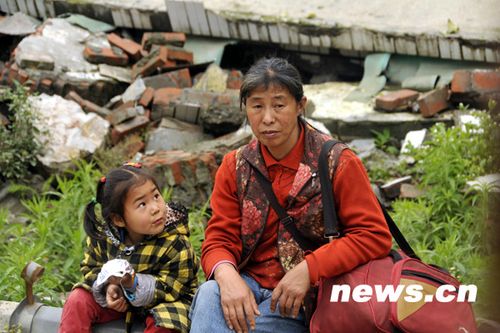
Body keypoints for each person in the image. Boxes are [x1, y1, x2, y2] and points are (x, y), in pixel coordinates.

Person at [189, 57, 393, 333]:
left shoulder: (337, 162)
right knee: (209, 294)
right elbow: (219, 238)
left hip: (308, 297)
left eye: (279, 104)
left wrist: (309, 269)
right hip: (247, 285)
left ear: (300, 105)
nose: (268, 118)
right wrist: (227, 277)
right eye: (257, 106)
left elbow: (373, 235)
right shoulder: (234, 165)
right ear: (245, 109)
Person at [59, 162, 199, 333]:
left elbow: (175, 286)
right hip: (121, 303)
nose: (156, 208)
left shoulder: (175, 242)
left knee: (166, 324)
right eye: (142, 204)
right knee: (78, 299)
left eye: (156, 196)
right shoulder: (104, 239)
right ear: (118, 219)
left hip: (166, 302)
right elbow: (90, 267)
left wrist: (134, 284)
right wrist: (110, 287)